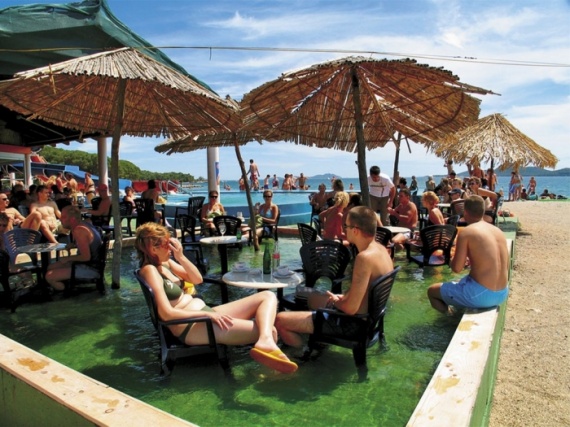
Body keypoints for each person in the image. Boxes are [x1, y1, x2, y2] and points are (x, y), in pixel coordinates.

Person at [136, 222, 297, 373]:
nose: (171, 247)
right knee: (271, 330)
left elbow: (197, 279)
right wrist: (207, 315)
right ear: (153, 248)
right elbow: (166, 314)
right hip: (191, 326)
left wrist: (181, 257)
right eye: (167, 244)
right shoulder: (150, 270)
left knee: (267, 296)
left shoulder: (165, 264)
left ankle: (265, 341)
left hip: (203, 314)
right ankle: (268, 373)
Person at [275, 206, 394, 349]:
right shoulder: (382, 250)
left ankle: (303, 352)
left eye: (346, 226)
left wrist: (336, 302)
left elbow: (350, 309)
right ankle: (315, 340)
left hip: (352, 325)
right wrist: (341, 298)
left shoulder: (364, 258)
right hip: (368, 320)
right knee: (313, 298)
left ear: (355, 230)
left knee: (280, 320)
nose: (344, 230)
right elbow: (363, 294)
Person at [427, 195, 509, 314]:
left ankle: (449, 318)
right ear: (482, 211)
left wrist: (447, 259)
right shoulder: (498, 231)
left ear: (465, 212)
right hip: (502, 293)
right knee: (461, 281)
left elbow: (456, 268)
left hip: (482, 296)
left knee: (432, 291)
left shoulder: (467, 232)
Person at [45, 205, 103, 291]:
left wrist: (68, 258)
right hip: (90, 265)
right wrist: (74, 244)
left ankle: (67, 293)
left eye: (63, 217)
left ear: (72, 219)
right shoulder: (85, 223)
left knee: (49, 276)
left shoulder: (79, 230)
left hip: (92, 269)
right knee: (50, 267)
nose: (60, 219)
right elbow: (88, 242)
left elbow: (86, 257)